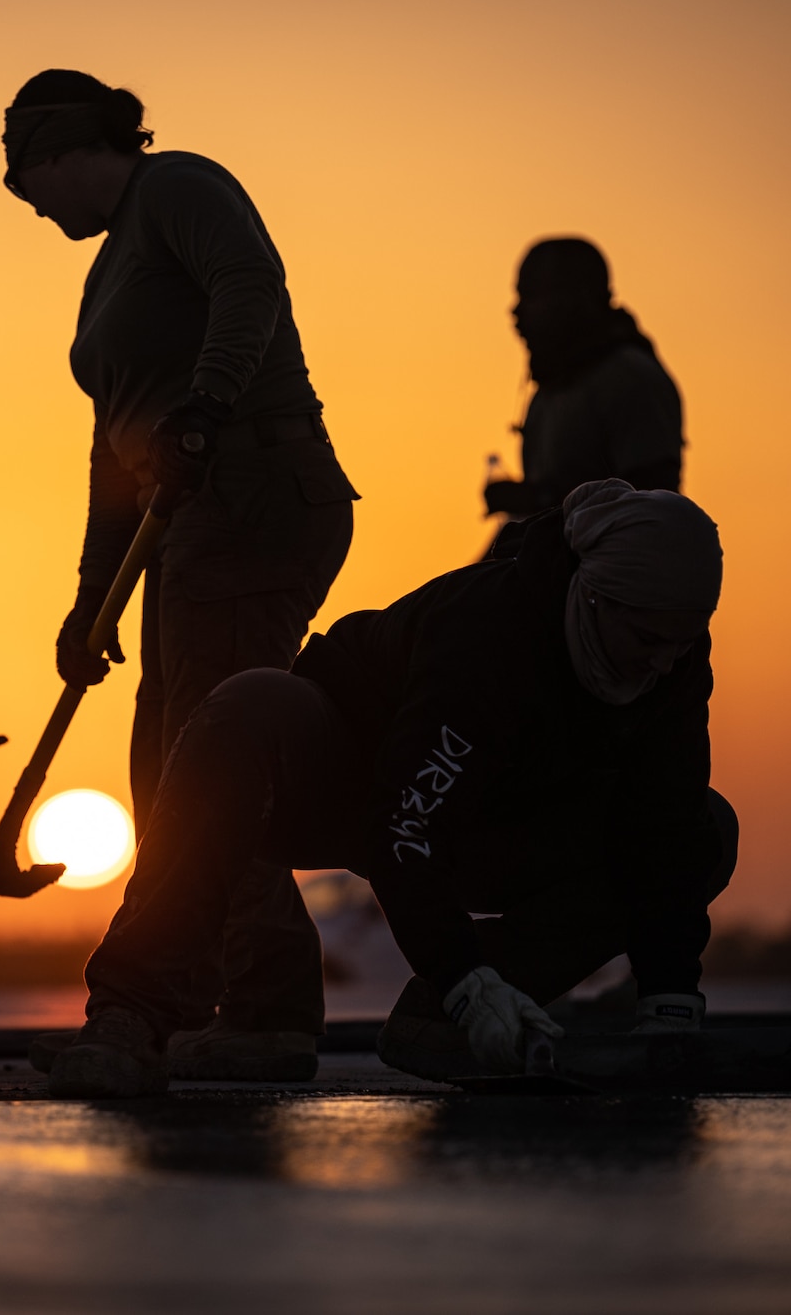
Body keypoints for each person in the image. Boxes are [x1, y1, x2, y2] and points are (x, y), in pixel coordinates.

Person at [48, 480, 733, 1098]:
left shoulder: (668, 652)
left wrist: (669, 1002)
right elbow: (404, 831)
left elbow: (665, 822)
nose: (661, 660)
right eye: (647, 637)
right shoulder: (486, 636)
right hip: (359, 789)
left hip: (505, 824)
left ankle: (446, 1020)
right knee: (249, 708)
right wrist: (462, 974)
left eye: (680, 643)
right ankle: (130, 1018)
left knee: (707, 828)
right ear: (593, 594)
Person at [3, 70, 360, 1076]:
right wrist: (88, 594)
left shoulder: (178, 189)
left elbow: (252, 282)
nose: (23, 200)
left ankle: (185, 1011)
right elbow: (110, 451)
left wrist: (205, 403)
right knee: (169, 768)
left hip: (252, 495)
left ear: (67, 147)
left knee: (206, 766)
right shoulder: (108, 266)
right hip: (181, 522)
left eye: (22, 172)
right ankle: (255, 1007)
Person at [482, 238, 683, 526]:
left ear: (577, 297)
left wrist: (539, 499)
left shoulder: (629, 379)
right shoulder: (547, 394)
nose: (516, 312)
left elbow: (651, 505)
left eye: (531, 295)